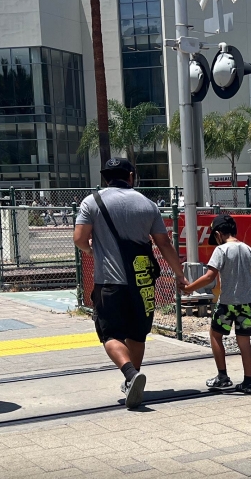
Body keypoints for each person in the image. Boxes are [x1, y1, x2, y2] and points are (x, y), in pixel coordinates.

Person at [74, 158, 187, 409]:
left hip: (109, 282)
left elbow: (80, 238)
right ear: (131, 176)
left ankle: (131, 375)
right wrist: (179, 274)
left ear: (106, 178)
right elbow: (164, 244)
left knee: (111, 334)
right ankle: (133, 378)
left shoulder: (92, 201)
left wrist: (91, 249)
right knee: (137, 334)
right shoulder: (147, 204)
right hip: (143, 282)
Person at [182, 214, 251, 394]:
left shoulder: (221, 250)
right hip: (246, 303)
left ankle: (222, 376)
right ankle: (249, 382)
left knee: (215, 335)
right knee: (244, 342)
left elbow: (210, 276)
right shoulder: (249, 250)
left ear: (218, 234)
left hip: (227, 303)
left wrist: (188, 288)